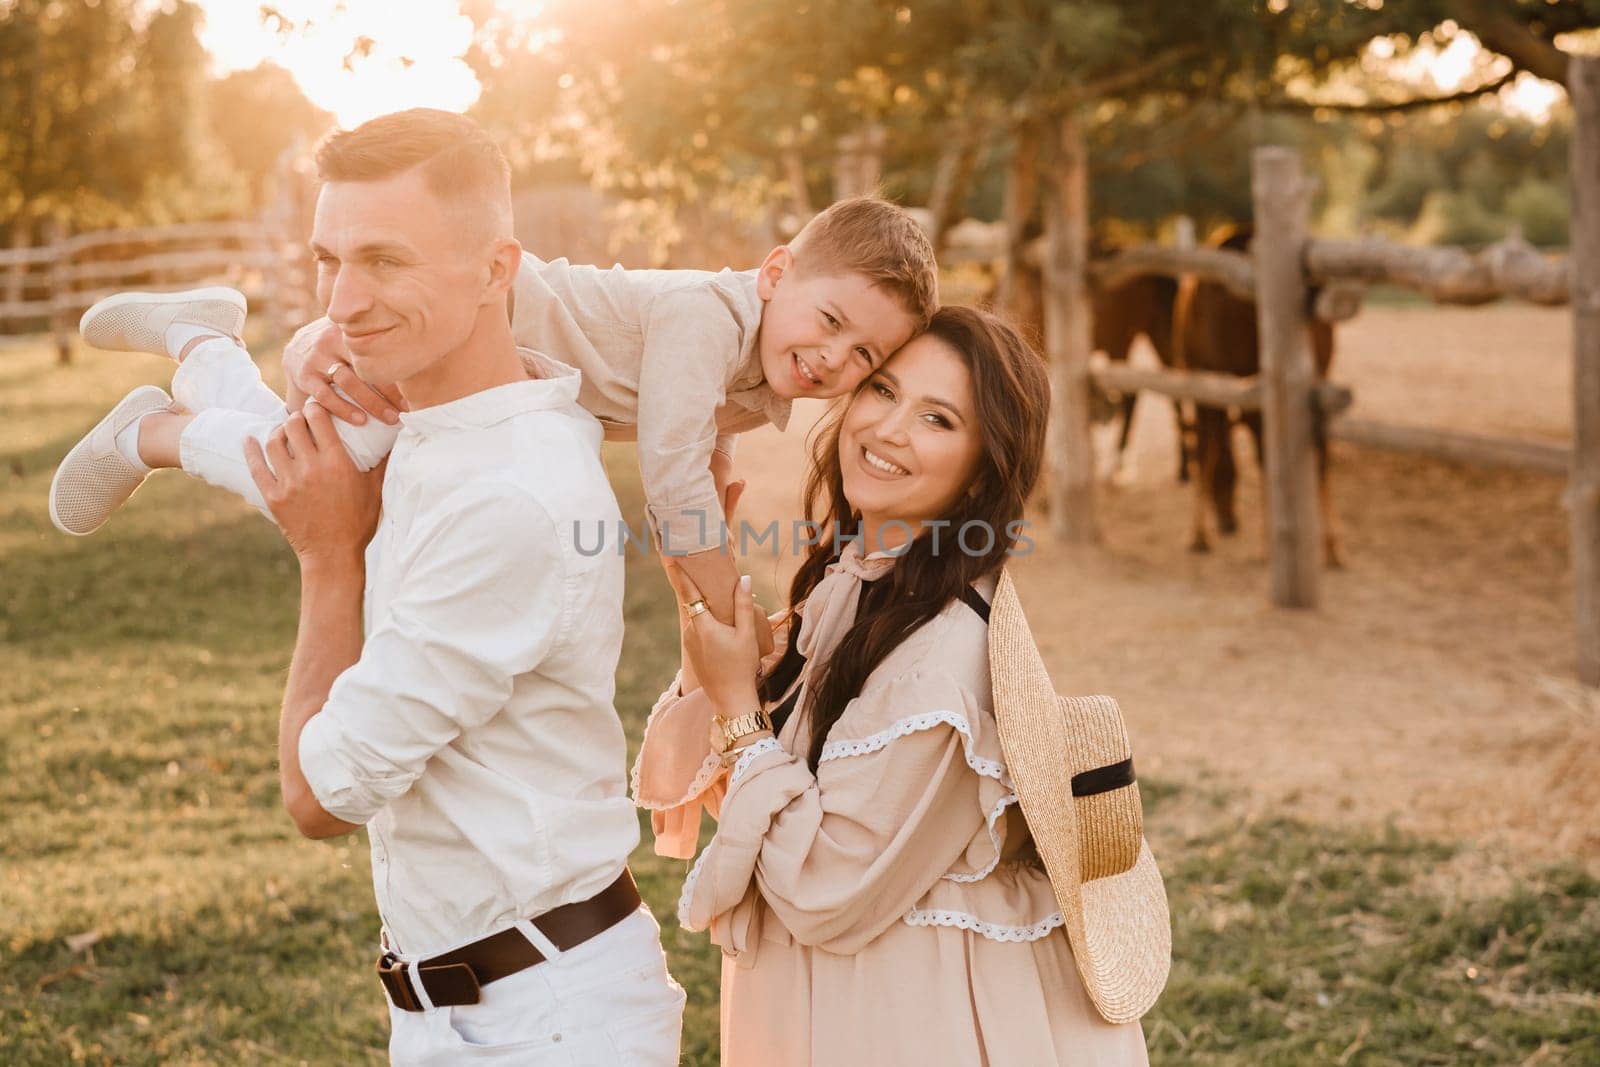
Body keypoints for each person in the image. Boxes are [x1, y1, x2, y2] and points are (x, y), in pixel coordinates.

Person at [160, 109, 681, 1064]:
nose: (345, 301)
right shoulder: (444, 422)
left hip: (546, 1024)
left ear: (496, 270)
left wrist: (328, 557)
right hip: (460, 1004)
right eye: (329, 261)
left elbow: (320, 796)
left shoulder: (507, 499)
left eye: (385, 261)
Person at [51, 108, 938, 630]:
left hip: (487, 379)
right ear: (775, 273)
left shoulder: (761, 366)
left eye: (863, 355)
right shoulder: (705, 316)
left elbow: (702, 463)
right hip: (453, 334)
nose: (833, 359)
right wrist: (740, 621)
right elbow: (673, 480)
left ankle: (202, 345)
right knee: (334, 464)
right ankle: (152, 431)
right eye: (829, 321)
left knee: (322, 449)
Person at [633, 305, 1162, 1064]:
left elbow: (823, 884)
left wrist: (737, 708)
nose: (886, 429)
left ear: (984, 465)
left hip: (908, 1010)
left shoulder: (943, 651)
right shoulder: (849, 585)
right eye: (882, 390)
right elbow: (726, 791)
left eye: (937, 418)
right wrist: (700, 592)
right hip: (832, 991)